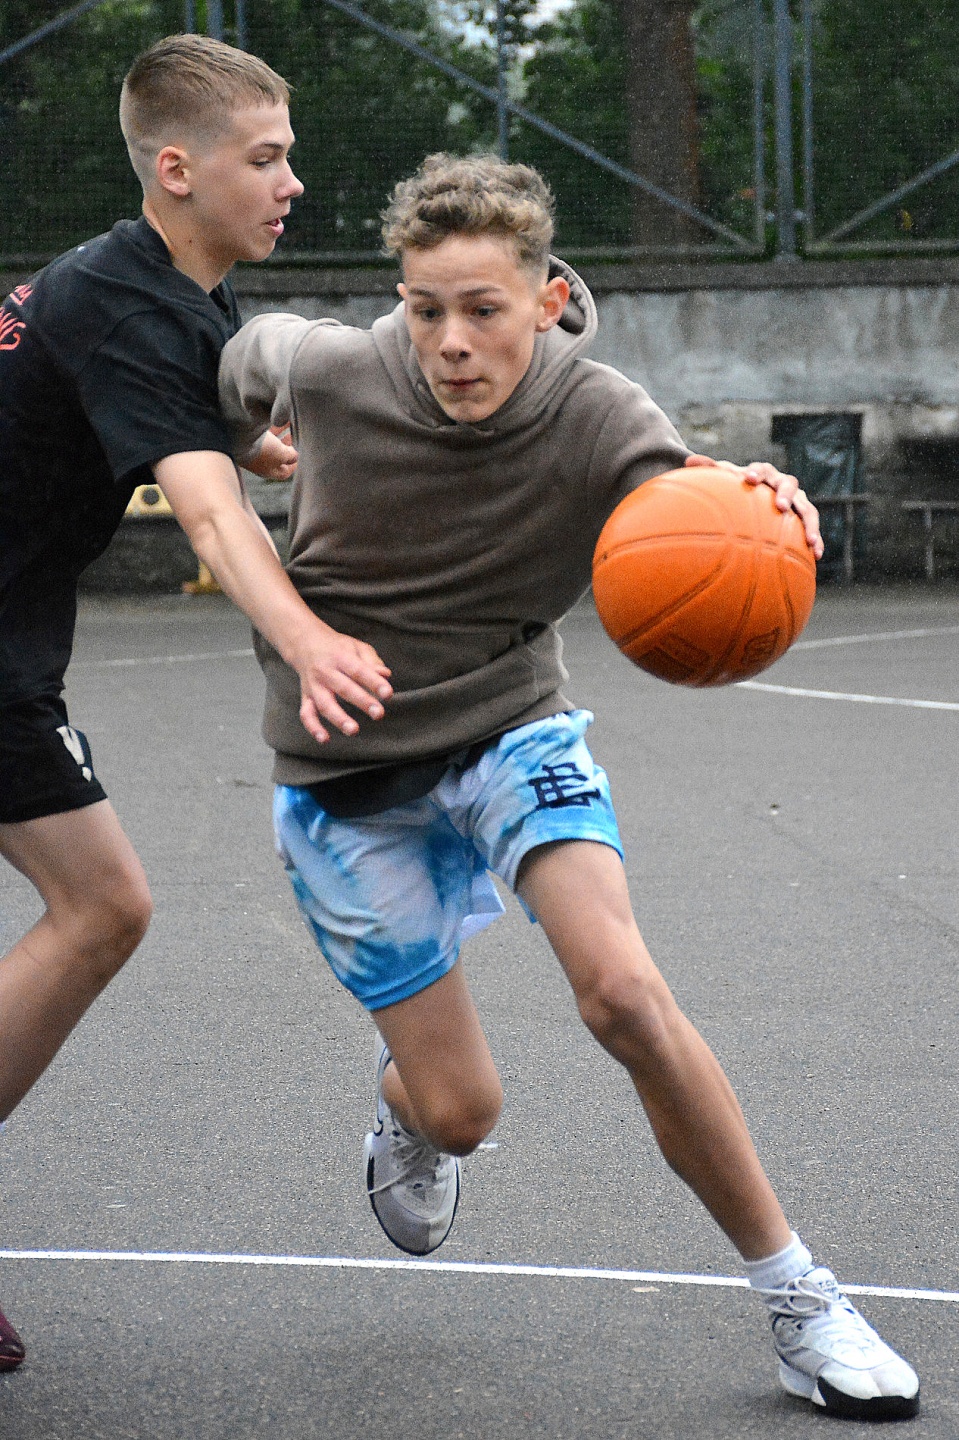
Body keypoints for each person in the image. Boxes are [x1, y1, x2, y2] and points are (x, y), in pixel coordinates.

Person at [218, 153, 919, 1422]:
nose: (450, 341)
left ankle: (799, 1298)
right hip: (341, 767)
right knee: (462, 1111)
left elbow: (681, 505)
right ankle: (410, 1111)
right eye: (423, 308)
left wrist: (752, 503)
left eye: (482, 309)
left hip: (511, 731)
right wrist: (239, 441)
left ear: (547, 301)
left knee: (624, 994)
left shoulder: (596, 411)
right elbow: (226, 362)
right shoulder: (326, 367)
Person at [0, 33, 393, 1370]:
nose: (292, 182)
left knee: (96, 908)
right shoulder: (143, 309)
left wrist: (243, 435)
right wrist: (309, 642)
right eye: (265, 158)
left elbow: (132, 409)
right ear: (177, 169)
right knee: (101, 906)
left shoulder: (136, 288)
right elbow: (212, 523)